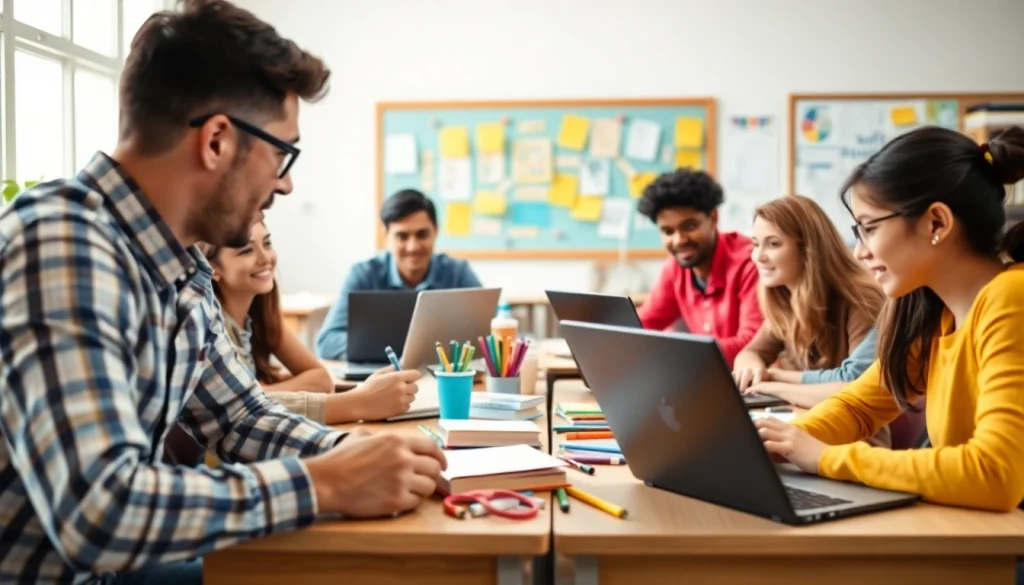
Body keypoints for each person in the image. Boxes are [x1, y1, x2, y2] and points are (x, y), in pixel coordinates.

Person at [0, 2, 445, 584]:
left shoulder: (179, 261)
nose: (285, 183)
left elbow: (238, 416)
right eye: (282, 154)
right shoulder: (62, 243)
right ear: (216, 142)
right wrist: (325, 480)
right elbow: (99, 510)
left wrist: (356, 455)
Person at [754, 125, 1024, 520]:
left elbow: (995, 474)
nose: (860, 252)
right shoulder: (937, 313)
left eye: (870, 228)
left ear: (936, 223)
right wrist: (782, 442)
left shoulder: (1010, 298)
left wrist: (828, 458)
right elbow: (859, 406)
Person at [200, 221, 420, 423]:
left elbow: (321, 380)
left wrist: (268, 390)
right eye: (246, 250)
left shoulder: (259, 317)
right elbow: (239, 406)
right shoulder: (210, 330)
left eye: (267, 243)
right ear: (213, 268)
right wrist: (360, 401)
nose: (265, 257)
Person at [732, 195, 885, 410]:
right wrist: (750, 366)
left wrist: (775, 379)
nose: (759, 257)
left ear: (808, 249)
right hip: (801, 420)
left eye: (773, 244)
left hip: (854, 433)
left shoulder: (860, 300)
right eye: (756, 244)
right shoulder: (784, 301)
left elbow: (855, 383)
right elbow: (751, 352)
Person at [316, 188, 482, 360]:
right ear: (386, 236)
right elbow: (328, 341)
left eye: (422, 235)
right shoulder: (363, 275)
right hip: (383, 375)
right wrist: (402, 350)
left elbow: (489, 335)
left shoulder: (458, 273)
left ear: (436, 231)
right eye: (402, 236)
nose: (413, 247)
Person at [635, 168, 763, 366]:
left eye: (689, 226)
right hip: (705, 380)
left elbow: (754, 345)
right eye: (668, 231)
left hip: (756, 385)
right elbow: (642, 324)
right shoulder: (675, 269)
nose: (679, 240)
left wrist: (680, 356)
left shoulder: (750, 262)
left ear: (713, 218)